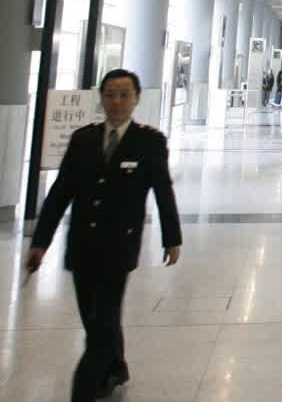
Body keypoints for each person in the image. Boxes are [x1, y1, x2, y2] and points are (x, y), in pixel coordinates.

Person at [26, 69, 182, 402]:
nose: (117, 102)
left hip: (118, 247)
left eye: (124, 95)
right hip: (82, 245)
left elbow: (163, 190)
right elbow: (60, 193)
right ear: (101, 98)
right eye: (110, 95)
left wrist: (172, 237)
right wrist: (40, 241)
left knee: (102, 322)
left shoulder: (149, 142)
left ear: (137, 99)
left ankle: (84, 389)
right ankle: (117, 367)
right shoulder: (83, 139)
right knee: (92, 317)